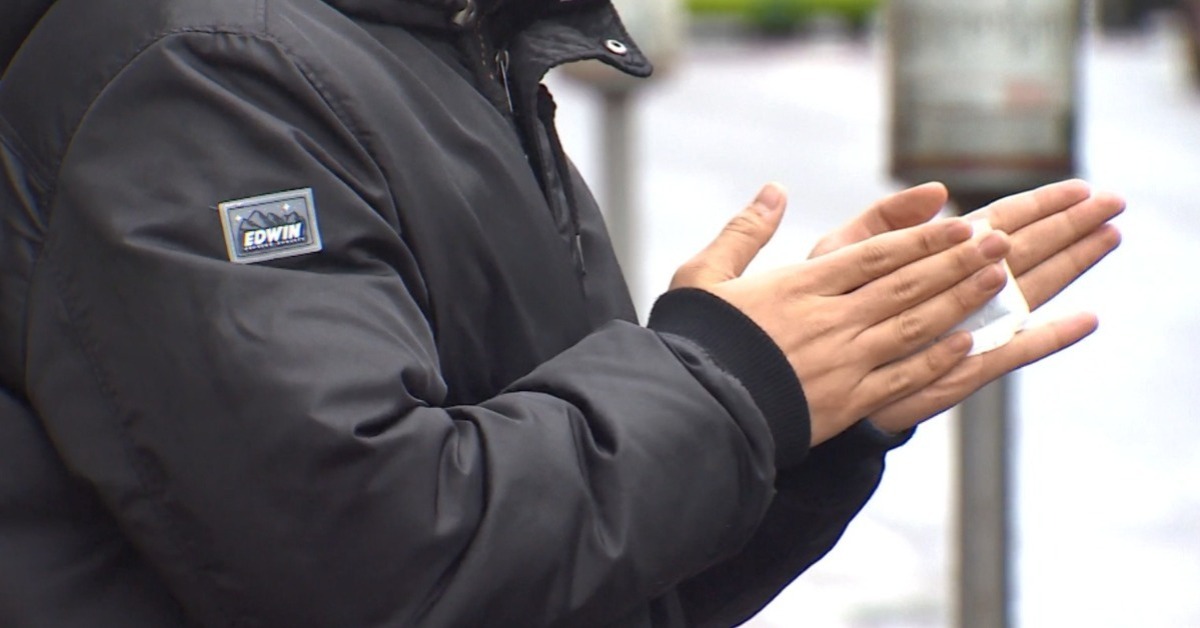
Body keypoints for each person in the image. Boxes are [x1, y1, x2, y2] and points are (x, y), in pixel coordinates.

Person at [0, 0, 1122, 626]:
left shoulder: (443, 56)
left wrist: (807, 416)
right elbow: (371, 562)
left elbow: (578, 587)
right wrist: (727, 382)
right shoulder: (202, 68)